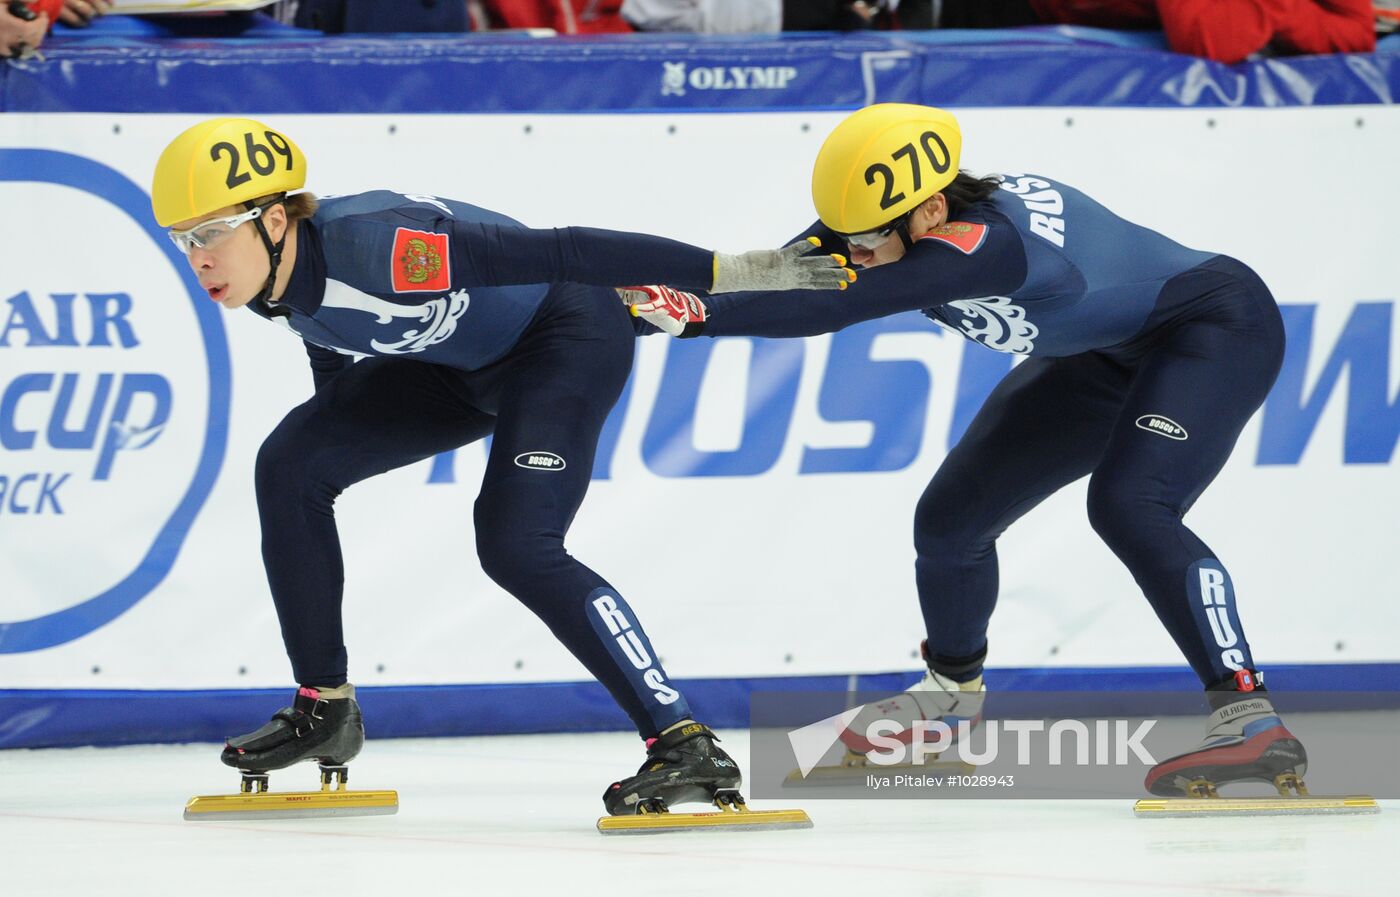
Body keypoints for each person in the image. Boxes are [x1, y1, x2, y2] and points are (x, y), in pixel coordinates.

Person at [149, 117, 852, 815]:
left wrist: (735, 270)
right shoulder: (265, 283)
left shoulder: (387, 247)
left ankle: (685, 740)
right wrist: (342, 433)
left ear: (275, 220)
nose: (197, 258)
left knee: (516, 545)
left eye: (208, 234)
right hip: (455, 366)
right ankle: (323, 707)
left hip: (563, 337)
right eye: (182, 240)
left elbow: (565, 251)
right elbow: (326, 339)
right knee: (290, 466)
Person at [624, 103, 1305, 798]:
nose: (850, 252)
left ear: (930, 213)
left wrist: (696, 317)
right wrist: (655, 295)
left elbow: (831, 303)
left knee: (1131, 505)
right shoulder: (883, 218)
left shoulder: (985, 243)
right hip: (1101, 354)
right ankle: (949, 701)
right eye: (846, 234)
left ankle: (1249, 716)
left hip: (1213, 331)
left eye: (864, 241)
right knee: (951, 520)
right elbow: (779, 270)